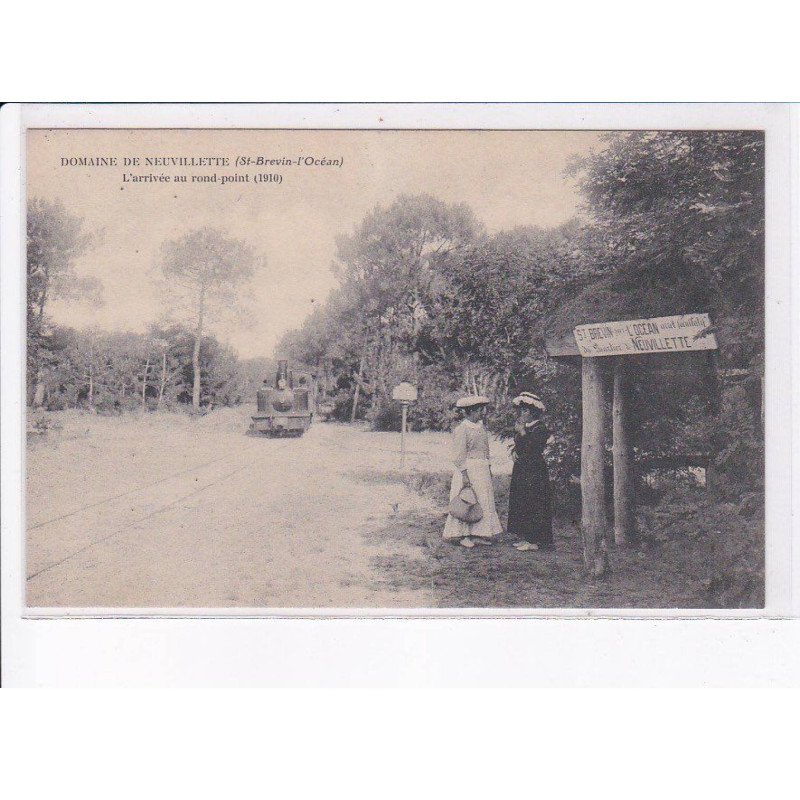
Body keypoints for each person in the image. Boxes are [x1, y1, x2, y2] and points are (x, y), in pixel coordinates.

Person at [442, 395, 504, 548]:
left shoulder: (481, 428)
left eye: (481, 410)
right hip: (469, 470)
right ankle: (463, 535)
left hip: (481, 470)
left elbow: (486, 450)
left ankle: (478, 533)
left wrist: (489, 468)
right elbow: (458, 455)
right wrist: (464, 475)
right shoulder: (462, 429)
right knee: (467, 500)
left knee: (482, 500)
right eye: (478, 410)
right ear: (470, 412)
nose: (481, 413)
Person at [507, 392, 555, 552]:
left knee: (534, 501)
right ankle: (527, 537)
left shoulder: (540, 428)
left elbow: (534, 448)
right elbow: (521, 446)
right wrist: (514, 451)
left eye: (525, 411)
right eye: (521, 411)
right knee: (523, 500)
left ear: (532, 412)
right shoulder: (527, 428)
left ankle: (535, 540)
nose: (521, 414)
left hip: (534, 470)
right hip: (523, 468)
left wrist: (521, 432)